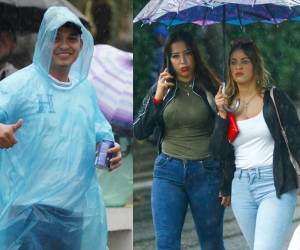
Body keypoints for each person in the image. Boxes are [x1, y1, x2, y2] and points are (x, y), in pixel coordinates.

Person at [0, 6, 121, 250]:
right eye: (56, 37)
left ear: (81, 44)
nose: (64, 45)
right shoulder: (19, 85)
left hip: (72, 214)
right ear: (43, 40)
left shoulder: (84, 90)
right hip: (26, 213)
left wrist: (108, 154)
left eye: (72, 38)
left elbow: (102, 135)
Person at [134, 29, 230, 250]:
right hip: (168, 173)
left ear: (195, 55)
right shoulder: (161, 90)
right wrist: (156, 98)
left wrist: (221, 112)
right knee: (166, 244)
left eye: (187, 53)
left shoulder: (213, 89)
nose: (183, 61)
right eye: (176, 56)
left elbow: (226, 140)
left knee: (212, 244)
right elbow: (139, 131)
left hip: (207, 173)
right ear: (168, 59)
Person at [211, 39, 299, 250]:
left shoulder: (274, 98)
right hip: (241, 186)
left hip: (274, 183)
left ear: (255, 65)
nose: (238, 67)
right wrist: (221, 114)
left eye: (244, 61)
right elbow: (217, 152)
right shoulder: (228, 105)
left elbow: (296, 140)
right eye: (233, 62)